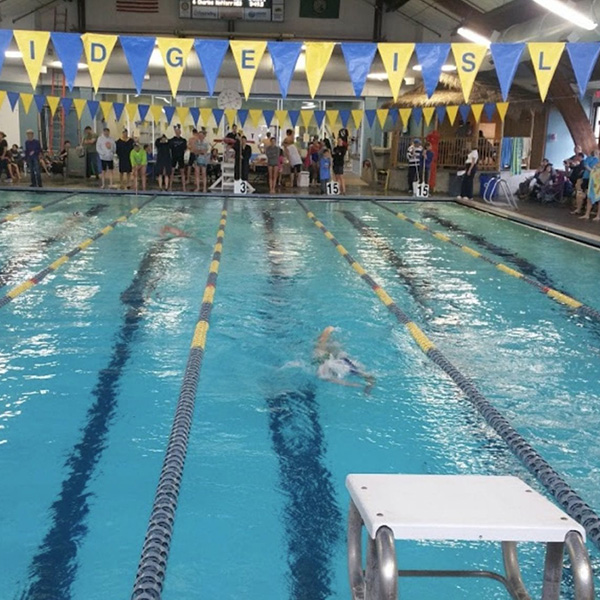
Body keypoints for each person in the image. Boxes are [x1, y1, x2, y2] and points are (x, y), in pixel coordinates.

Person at [314, 326, 375, 393]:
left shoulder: (327, 360)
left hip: (332, 363)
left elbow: (326, 377)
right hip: (333, 363)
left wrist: (354, 385)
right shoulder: (344, 362)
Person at [579, 149, 600, 219]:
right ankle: (587, 214)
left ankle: (598, 215)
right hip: (592, 182)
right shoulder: (595, 162)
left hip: (598, 184)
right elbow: (590, 169)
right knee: (589, 197)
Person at [169, 124, 187, 191]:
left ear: (180, 131)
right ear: (175, 131)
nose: (178, 132)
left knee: (182, 172)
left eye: (178, 130)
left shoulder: (184, 140)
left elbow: (185, 149)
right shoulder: (171, 140)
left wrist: (182, 154)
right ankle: (170, 186)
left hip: (181, 157)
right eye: (176, 131)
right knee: (172, 172)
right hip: (174, 157)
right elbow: (170, 149)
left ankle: (184, 187)